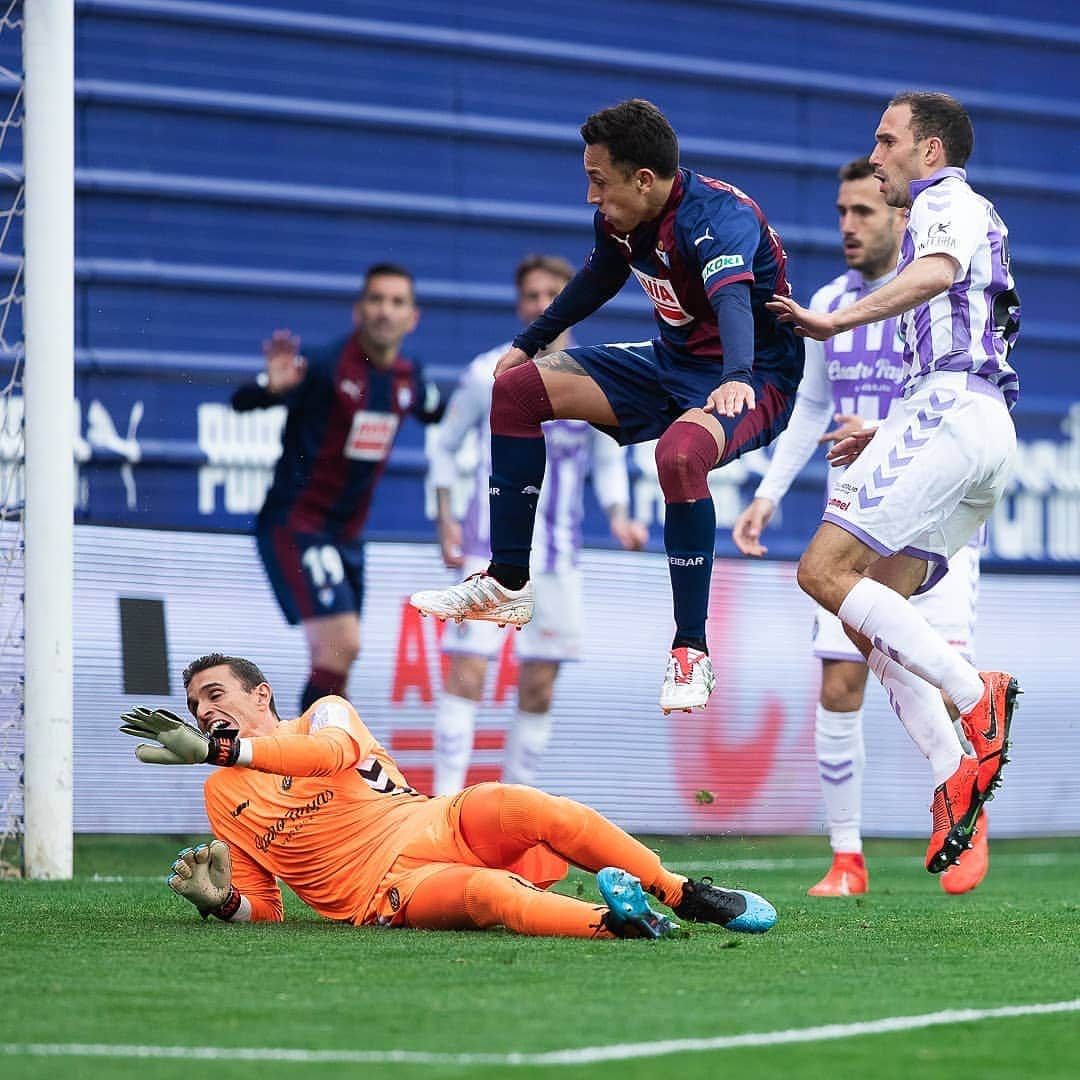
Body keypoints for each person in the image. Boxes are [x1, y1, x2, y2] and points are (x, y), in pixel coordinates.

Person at [409, 99, 804, 715]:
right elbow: (596, 280)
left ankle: (691, 653)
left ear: (644, 180)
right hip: (671, 364)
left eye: (598, 180)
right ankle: (506, 582)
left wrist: (736, 375)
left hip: (754, 377)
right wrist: (528, 342)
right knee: (514, 391)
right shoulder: (623, 218)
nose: (590, 194)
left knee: (678, 456)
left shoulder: (719, 217)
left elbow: (732, 301)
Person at [766, 91, 1022, 878]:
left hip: (948, 409)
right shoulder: (975, 214)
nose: (876, 157)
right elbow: (981, 324)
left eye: (886, 142)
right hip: (978, 421)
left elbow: (939, 275)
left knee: (821, 573)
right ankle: (955, 776)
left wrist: (833, 324)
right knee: (864, 616)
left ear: (931, 151)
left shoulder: (947, 202)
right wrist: (889, 430)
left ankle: (975, 697)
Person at [117, 653, 778, 939]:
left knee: (527, 804)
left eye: (215, 695)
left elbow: (328, 757)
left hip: (432, 818)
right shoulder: (221, 794)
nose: (203, 713)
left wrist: (218, 748)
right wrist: (220, 901)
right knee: (486, 897)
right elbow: (267, 911)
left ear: (260, 695)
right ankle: (623, 927)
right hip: (385, 889)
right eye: (195, 707)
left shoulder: (323, 713)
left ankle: (680, 892)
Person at [734, 158, 987, 897]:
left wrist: (881, 428)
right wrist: (768, 494)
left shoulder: (932, 298)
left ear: (903, 216)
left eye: (864, 212)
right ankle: (846, 857)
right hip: (855, 524)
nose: (848, 226)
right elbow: (812, 407)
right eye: (842, 212)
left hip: (933, 521)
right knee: (841, 682)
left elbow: (952, 400)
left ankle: (966, 800)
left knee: (938, 682)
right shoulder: (827, 303)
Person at [429, 254, 648, 793]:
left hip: (558, 562)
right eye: (531, 295)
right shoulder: (488, 372)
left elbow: (608, 461)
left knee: (539, 688)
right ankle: (444, 808)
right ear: (520, 304)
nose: (540, 303)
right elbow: (444, 443)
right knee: (467, 676)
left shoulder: (596, 376)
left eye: (553, 293)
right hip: (487, 551)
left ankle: (510, 813)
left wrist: (620, 518)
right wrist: (446, 520)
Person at [232, 264, 442, 713]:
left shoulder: (409, 376)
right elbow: (243, 400)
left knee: (335, 664)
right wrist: (270, 385)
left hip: (347, 537)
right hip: (298, 524)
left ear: (413, 318)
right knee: (342, 644)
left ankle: (314, 766)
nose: (385, 311)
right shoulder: (327, 367)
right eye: (376, 299)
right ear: (358, 310)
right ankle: (293, 763)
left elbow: (435, 409)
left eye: (397, 302)